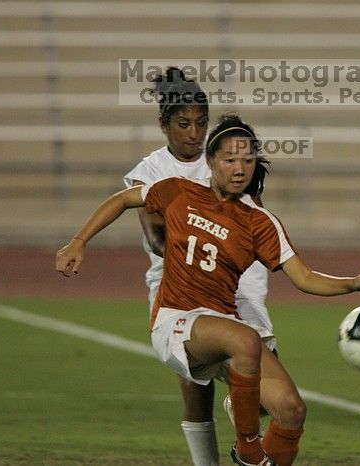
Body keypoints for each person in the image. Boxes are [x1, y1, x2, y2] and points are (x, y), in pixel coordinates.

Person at [57, 113, 360, 466]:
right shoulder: (178, 192)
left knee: (291, 410)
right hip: (177, 321)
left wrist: (355, 283)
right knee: (246, 340)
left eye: (248, 160)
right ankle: (248, 451)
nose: (239, 168)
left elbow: (305, 278)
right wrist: (78, 241)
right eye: (230, 159)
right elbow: (122, 200)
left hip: (222, 324)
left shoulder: (260, 222)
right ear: (211, 161)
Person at [123, 67, 276, 465]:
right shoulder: (151, 171)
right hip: (180, 287)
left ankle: (240, 414)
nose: (193, 133)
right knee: (196, 389)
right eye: (183, 124)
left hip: (241, 284)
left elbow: (254, 217)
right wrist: (207, 237)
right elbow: (157, 240)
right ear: (163, 125)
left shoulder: (226, 156)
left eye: (201, 123)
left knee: (266, 398)